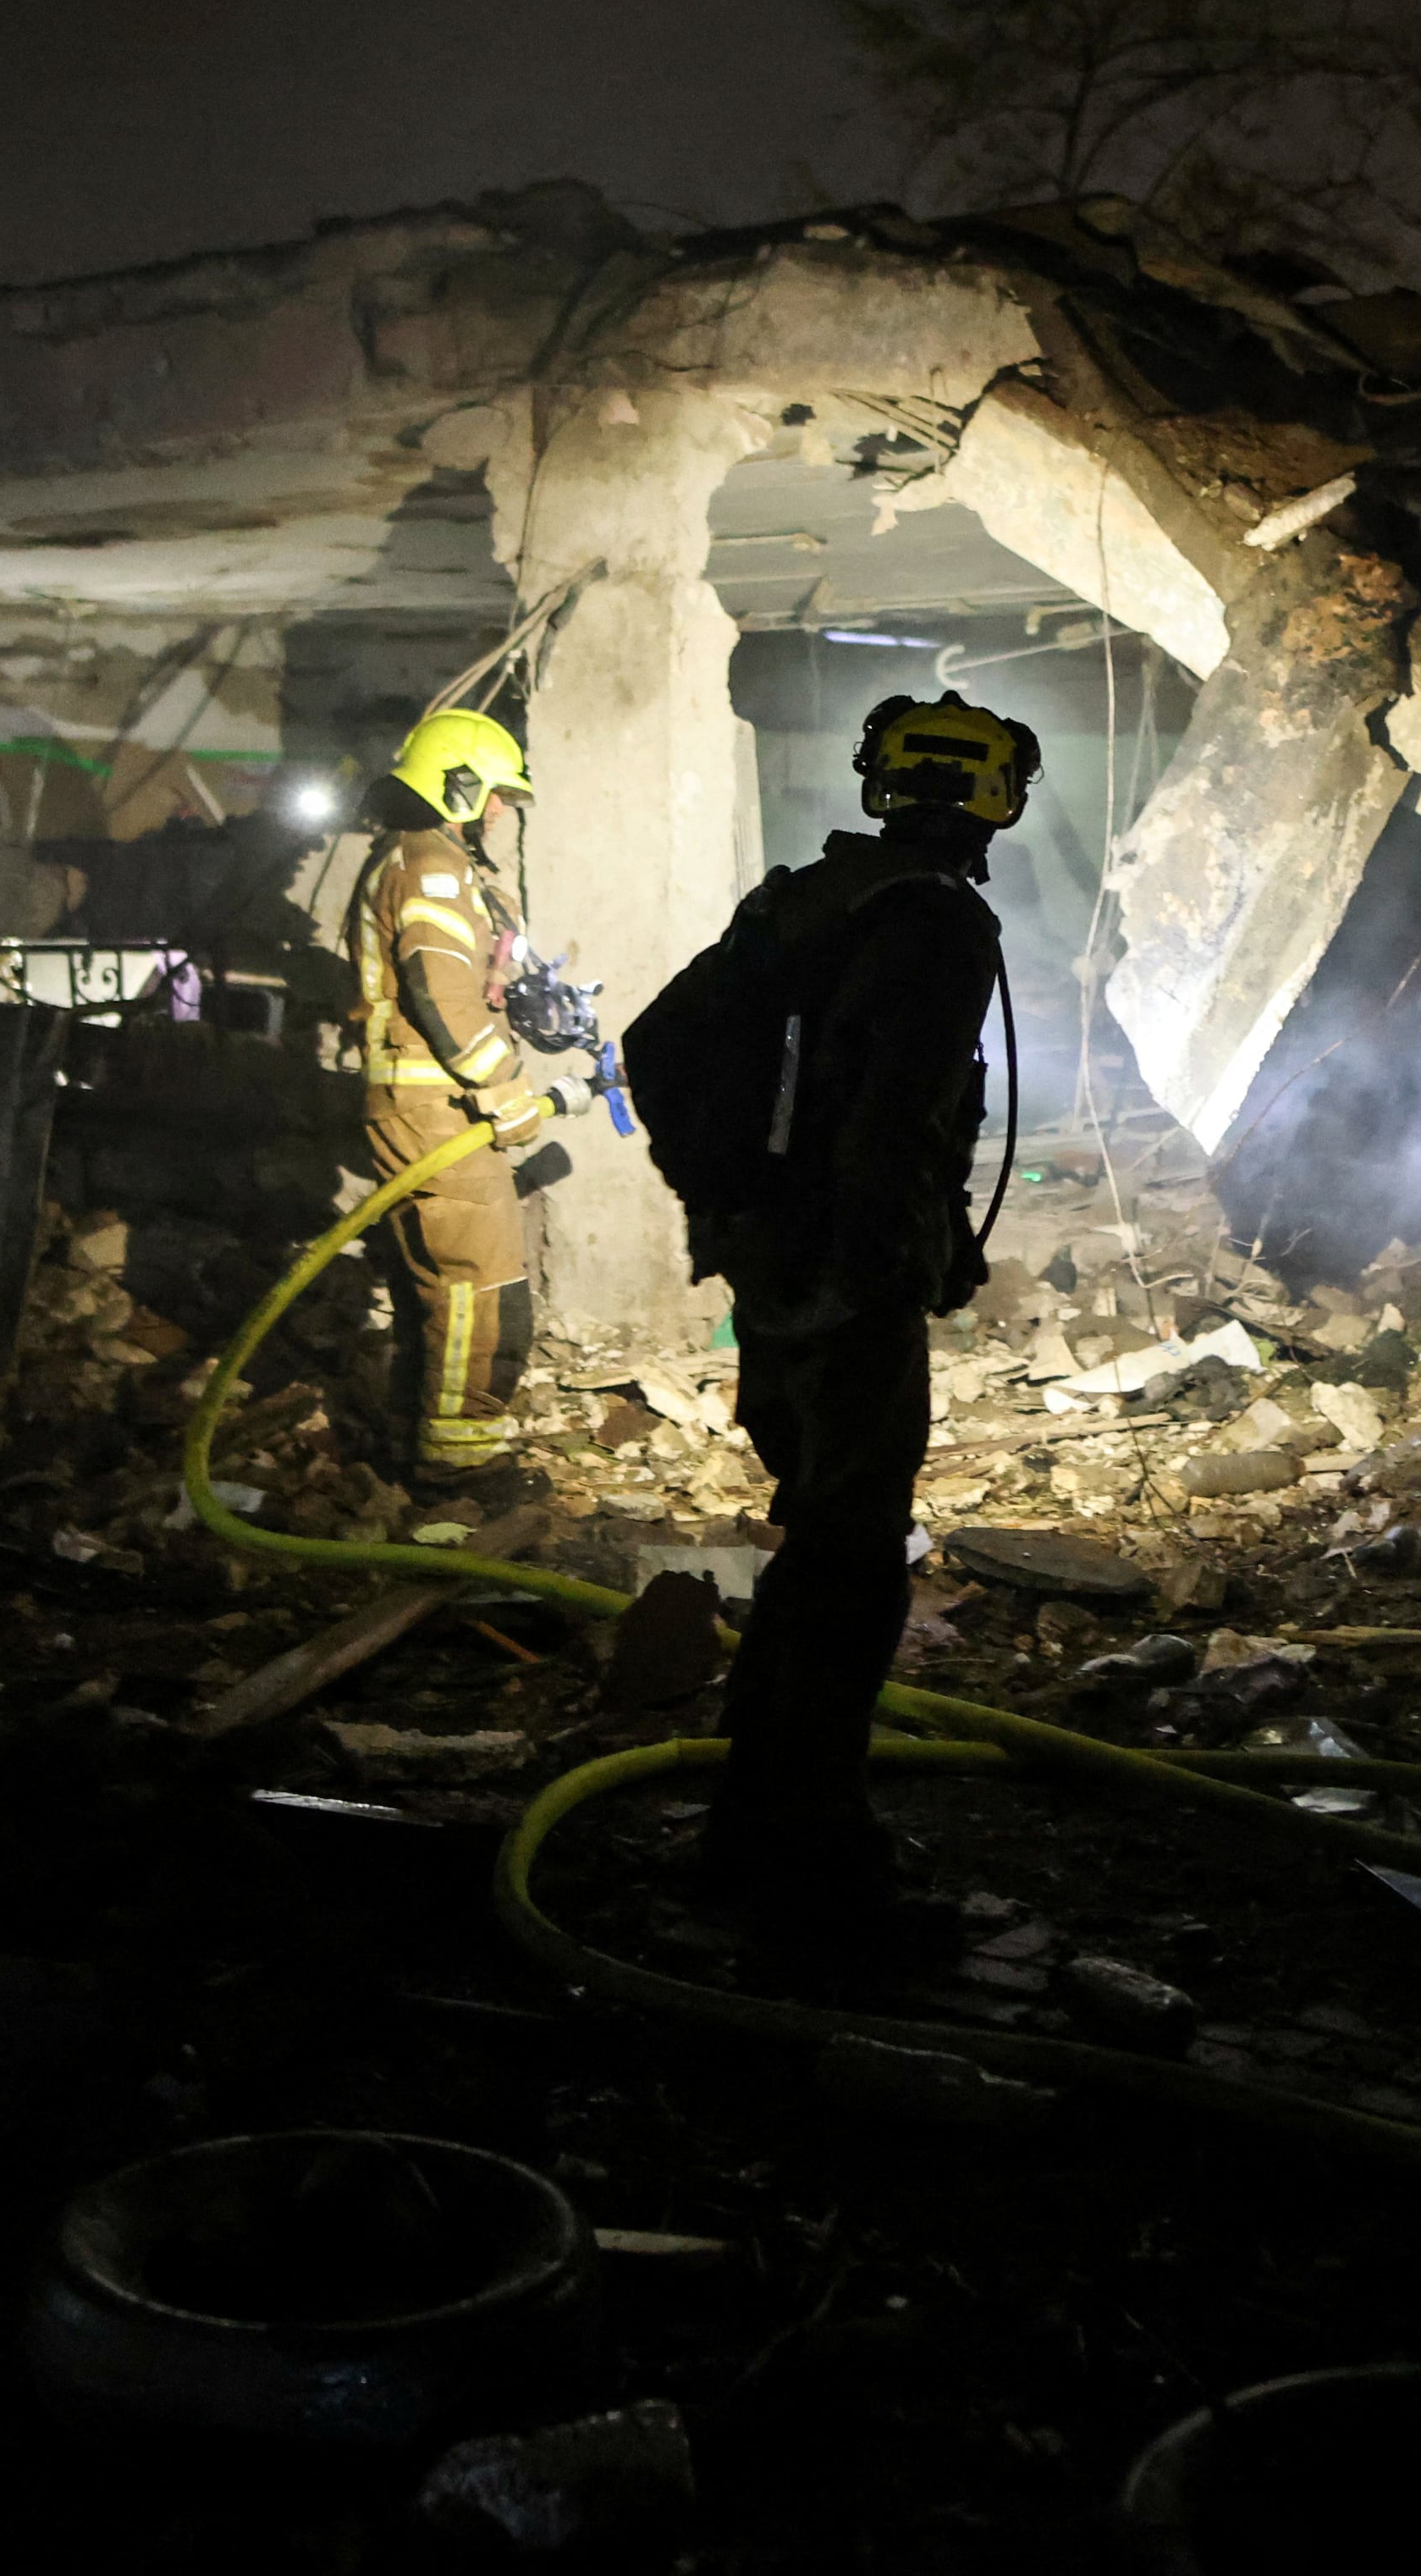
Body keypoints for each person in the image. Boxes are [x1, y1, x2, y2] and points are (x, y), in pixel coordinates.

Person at [642, 692, 1035, 1947]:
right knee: (855, 1562)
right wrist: (879, 1263)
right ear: (996, 801)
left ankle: (758, 1819)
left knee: (818, 1540)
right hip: (842, 1285)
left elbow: (656, 1041)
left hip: (775, 1271)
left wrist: (732, 1206)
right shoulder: (937, 920)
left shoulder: (801, 900)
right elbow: (890, 1126)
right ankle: (808, 1854)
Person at [348, 706, 548, 1488]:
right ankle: (460, 1472)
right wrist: (509, 1092)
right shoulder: (432, 864)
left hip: (419, 1106)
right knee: (482, 1293)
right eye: (494, 793)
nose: (499, 811)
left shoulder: (414, 858)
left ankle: (418, 1447)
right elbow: (444, 998)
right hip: (442, 1111)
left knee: (433, 1290)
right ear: (458, 787)